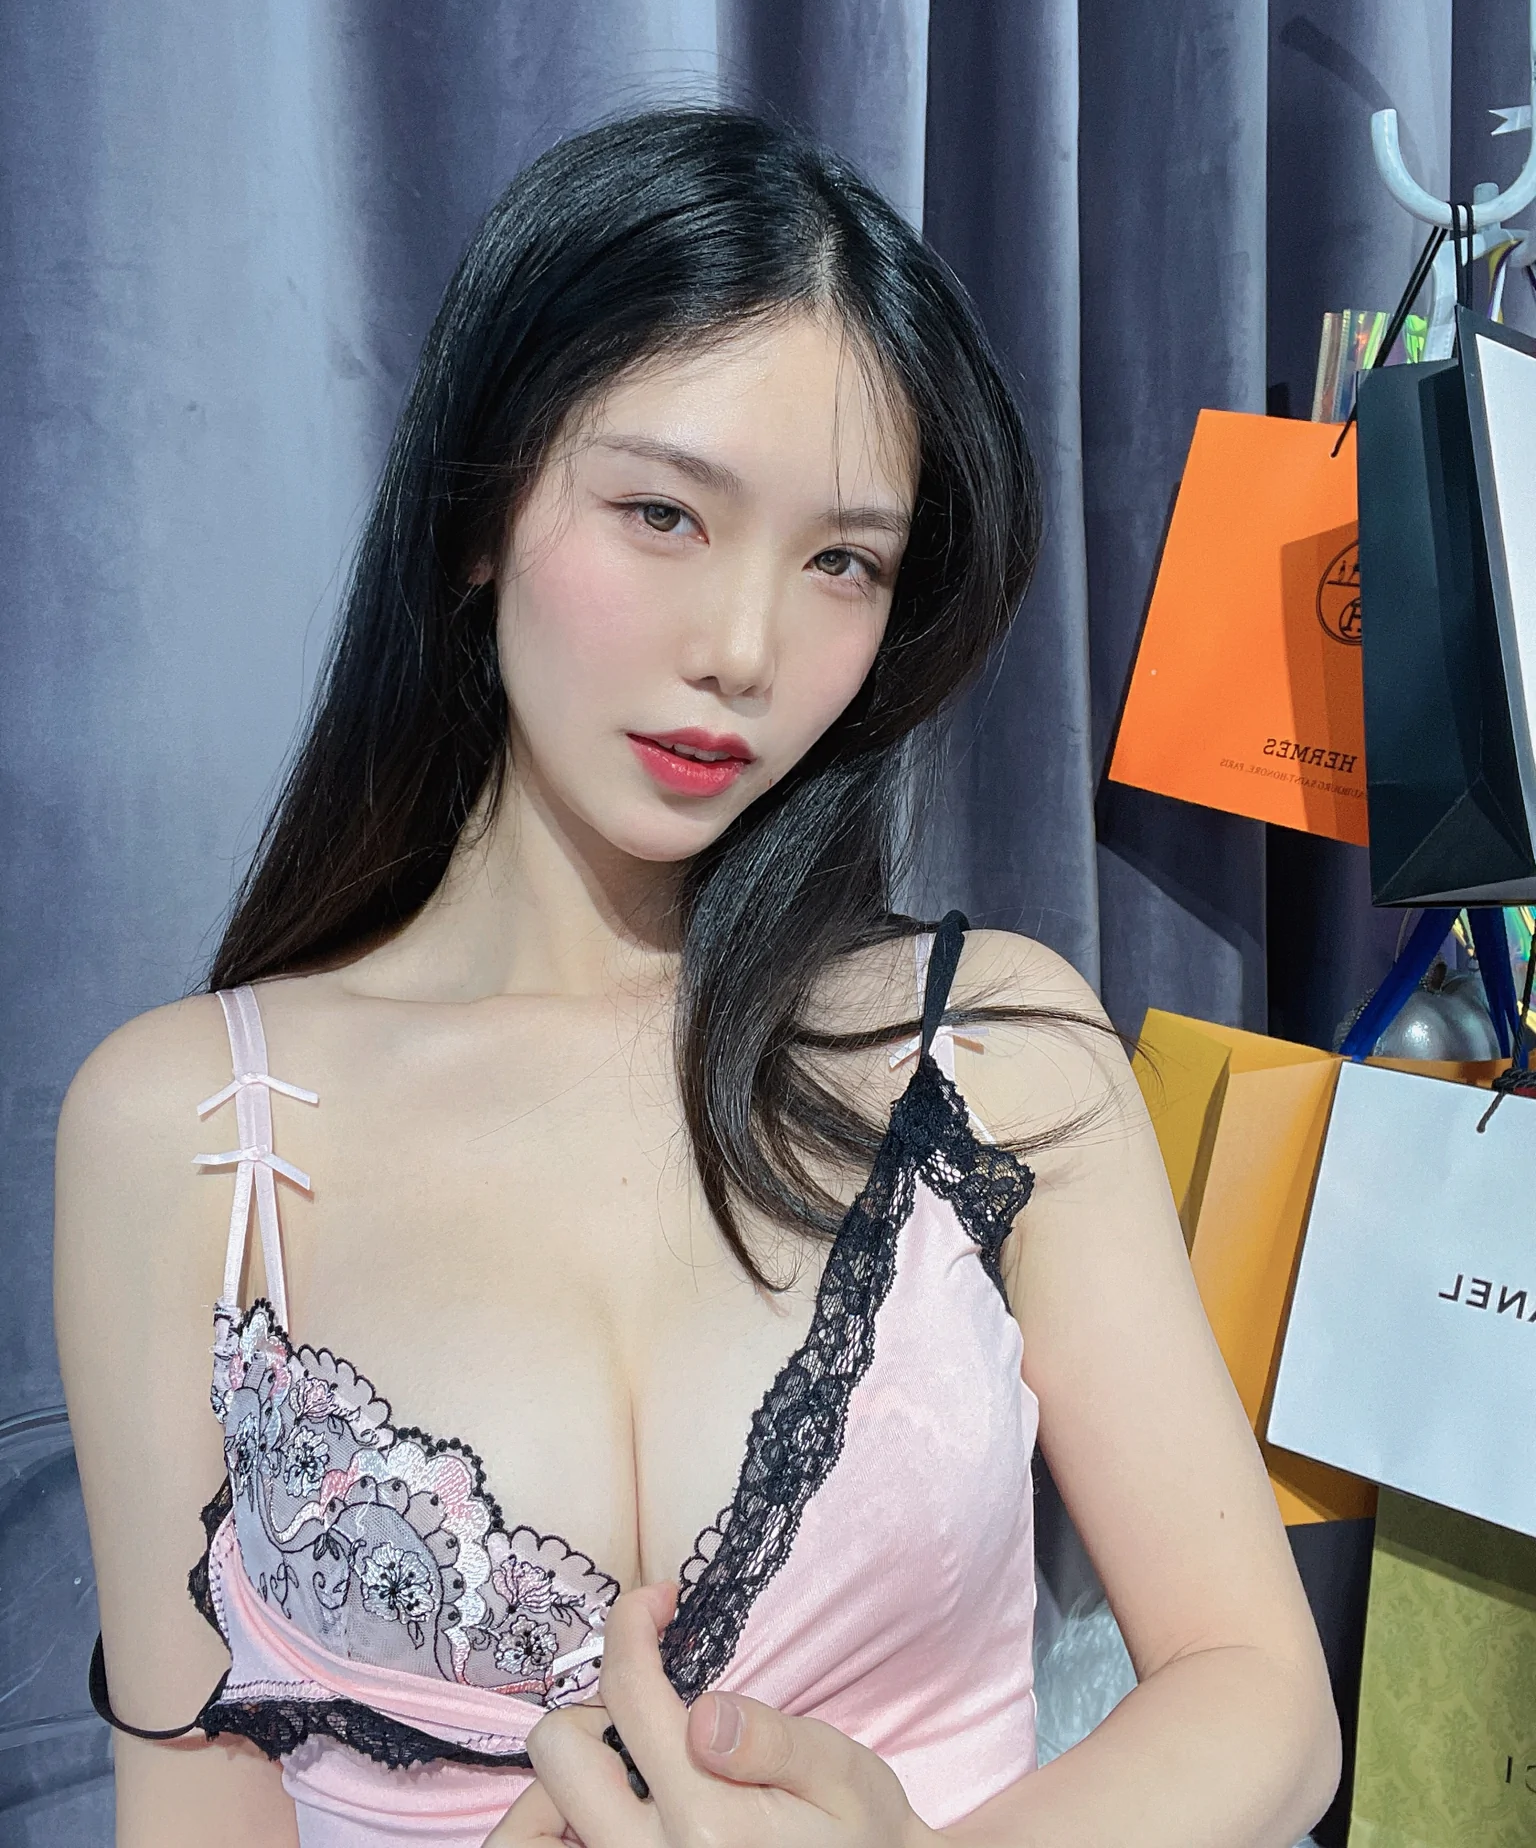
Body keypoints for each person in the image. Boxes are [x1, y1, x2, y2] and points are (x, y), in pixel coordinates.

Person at [55, 106, 1340, 1848]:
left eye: (842, 562)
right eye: (663, 512)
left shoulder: (992, 1049)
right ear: (481, 509)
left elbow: (1261, 1699)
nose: (743, 648)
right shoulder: (191, 1129)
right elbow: (188, 1806)